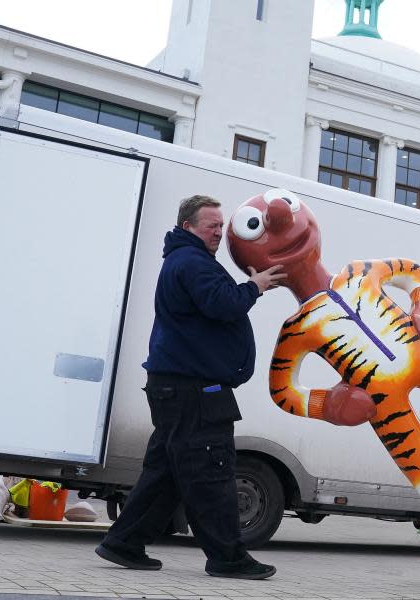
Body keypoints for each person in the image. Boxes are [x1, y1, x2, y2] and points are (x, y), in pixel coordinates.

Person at [95, 195, 285, 580]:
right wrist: (254, 286)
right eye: (211, 225)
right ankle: (227, 558)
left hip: (176, 389)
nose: (219, 231)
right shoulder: (191, 263)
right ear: (189, 227)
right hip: (193, 391)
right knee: (211, 471)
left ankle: (123, 542)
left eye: (220, 224)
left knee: (166, 473)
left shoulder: (186, 260)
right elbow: (221, 304)